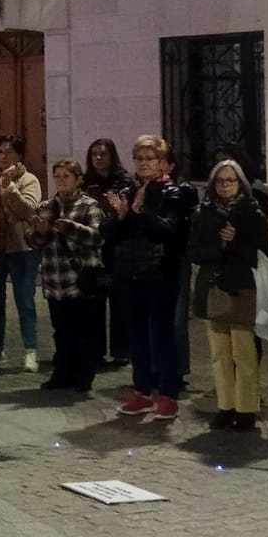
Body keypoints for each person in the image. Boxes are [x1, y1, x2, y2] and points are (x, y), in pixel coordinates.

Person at [109, 137, 197, 423]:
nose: (144, 163)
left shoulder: (177, 192)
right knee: (135, 334)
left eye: (150, 158)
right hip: (129, 269)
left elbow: (170, 232)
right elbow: (109, 234)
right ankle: (142, 391)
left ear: (162, 162)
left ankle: (168, 394)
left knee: (161, 333)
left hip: (160, 271)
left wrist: (140, 212)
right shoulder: (127, 188)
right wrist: (120, 218)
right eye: (139, 158)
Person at [186, 158, 268, 432]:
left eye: (231, 180)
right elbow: (194, 251)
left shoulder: (252, 213)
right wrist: (219, 246)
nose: (225, 186)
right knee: (219, 353)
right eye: (221, 181)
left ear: (240, 184)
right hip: (213, 288)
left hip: (242, 287)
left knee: (244, 352)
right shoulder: (203, 212)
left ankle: (246, 409)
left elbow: (263, 254)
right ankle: (226, 406)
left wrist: (236, 243)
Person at [34, 160, 105, 394]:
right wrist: (39, 233)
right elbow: (34, 241)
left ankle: (84, 375)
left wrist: (72, 228)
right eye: (58, 176)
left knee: (84, 330)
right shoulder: (47, 206)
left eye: (66, 176)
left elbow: (97, 237)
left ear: (78, 179)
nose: (61, 180)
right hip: (55, 278)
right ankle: (62, 372)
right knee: (61, 330)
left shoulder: (89, 206)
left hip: (79, 276)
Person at [0, 136, 43, 373]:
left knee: (25, 300)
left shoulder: (29, 179)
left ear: (19, 156)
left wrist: (9, 187)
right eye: (0, 151)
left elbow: (27, 209)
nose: (3, 156)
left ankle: (31, 350)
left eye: (9, 152)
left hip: (22, 247)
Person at [82, 138, 130, 368]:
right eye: (94, 155)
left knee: (120, 302)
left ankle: (121, 350)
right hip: (94, 247)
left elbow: (126, 215)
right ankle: (96, 350)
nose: (99, 158)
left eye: (103, 154)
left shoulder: (123, 182)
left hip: (118, 247)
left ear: (112, 156)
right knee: (94, 302)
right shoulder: (85, 181)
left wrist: (109, 205)